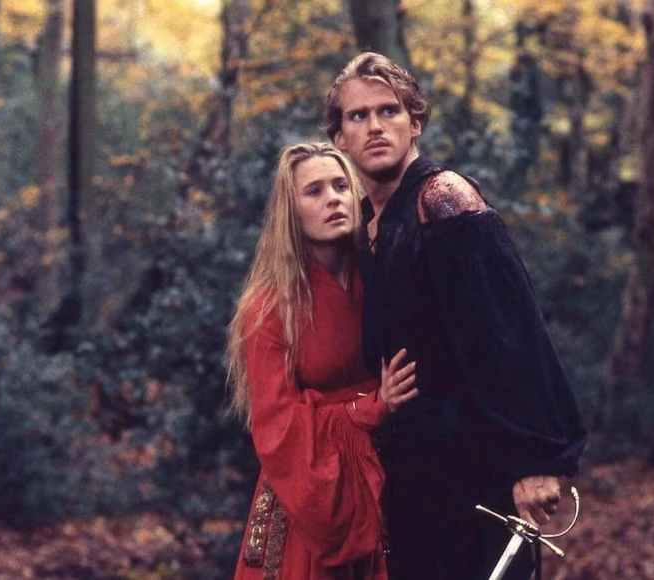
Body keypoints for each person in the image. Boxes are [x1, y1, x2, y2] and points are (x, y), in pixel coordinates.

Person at [323, 52, 588, 579]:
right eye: (358, 116)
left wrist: (536, 458)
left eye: (389, 111)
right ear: (339, 139)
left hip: (475, 470)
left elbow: (511, 332)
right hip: (410, 477)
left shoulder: (442, 198)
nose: (375, 126)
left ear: (415, 123)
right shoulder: (367, 228)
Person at [227, 142, 418, 580]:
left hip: (395, 478)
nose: (333, 199)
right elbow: (277, 425)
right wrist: (370, 408)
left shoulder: (381, 279)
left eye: (340, 186)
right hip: (313, 499)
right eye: (314, 191)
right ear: (290, 214)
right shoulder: (270, 307)